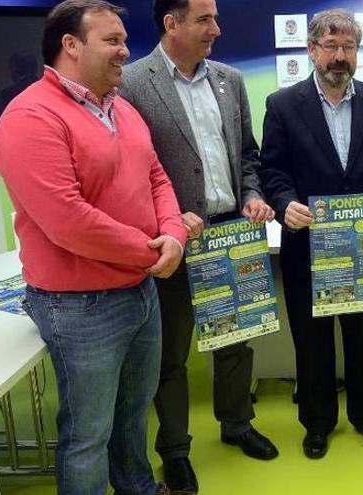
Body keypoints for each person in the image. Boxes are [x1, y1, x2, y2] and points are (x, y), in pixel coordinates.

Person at [0, 1, 186, 493]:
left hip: (140, 291)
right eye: (112, 40)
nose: (125, 50)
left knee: (132, 416)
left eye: (123, 39)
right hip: (79, 306)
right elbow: (67, 221)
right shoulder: (29, 117)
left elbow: (156, 176)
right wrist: (153, 250)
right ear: (70, 46)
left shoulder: (120, 108)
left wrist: (175, 235)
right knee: (87, 435)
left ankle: (138, 487)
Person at [119, 0, 277, 491]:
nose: (217, 28)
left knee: (235, 339)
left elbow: (247, 154)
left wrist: (251, 195)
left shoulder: (228, 79)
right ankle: (175, 450)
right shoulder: (132, 82)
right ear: (172, 23)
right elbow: (127, 171)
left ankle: (236, 425)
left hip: (230, 232)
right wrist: (163, 217)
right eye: (205, 19)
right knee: (171, 353)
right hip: (172, 239)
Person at [258, 8, 363, 459]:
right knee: (312, 340)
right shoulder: (282, 105)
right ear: (311, 50)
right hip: (308, 245)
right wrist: (285, 205)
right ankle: (318, 423)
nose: (340, 56)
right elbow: (273, 170)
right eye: (331, 46)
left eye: (348, 47)